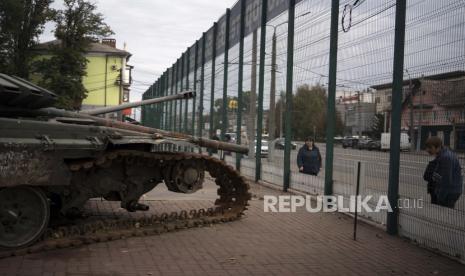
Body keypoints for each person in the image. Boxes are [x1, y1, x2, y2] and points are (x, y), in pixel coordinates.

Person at [423, 136, 463, 208]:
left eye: (430, 148)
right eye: (427, 147)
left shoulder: (445, 157)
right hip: (451, 191)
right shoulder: (445, 154)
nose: (427, 150)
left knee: (444, 215)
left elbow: (446, 180)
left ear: (438, 147)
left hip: (449, 193)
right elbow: (441, 175)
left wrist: (440, 197)